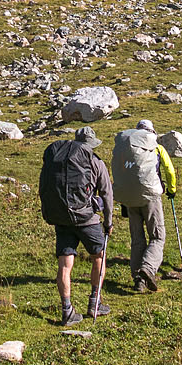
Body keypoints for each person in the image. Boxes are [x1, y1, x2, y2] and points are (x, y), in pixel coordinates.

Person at [46, 126, 113, 326]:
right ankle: (95, 302)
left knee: (65, 264)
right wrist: (108, 221)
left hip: (62, 218)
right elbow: (107, 194)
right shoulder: (95, 162)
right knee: (99, 256)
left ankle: (66, 309)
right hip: (87, 219)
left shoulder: (60, 160)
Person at [111, 119, 176, 292]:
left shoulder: (125, 148)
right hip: (150, 196)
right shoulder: (156, 147)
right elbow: (169, 170)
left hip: (129, 198)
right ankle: (148, 269)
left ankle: (138, 279)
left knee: (137, 239)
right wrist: (171, 189)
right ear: (151, 132)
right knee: (157, 236)